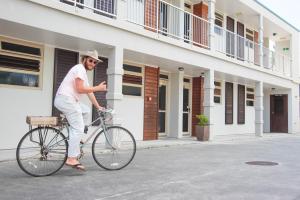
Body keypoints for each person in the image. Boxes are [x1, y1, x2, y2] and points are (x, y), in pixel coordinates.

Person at [54, 50, 106, 171]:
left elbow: (89, 91)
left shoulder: (82, 72)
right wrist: (98, 88)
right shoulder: (79, 69)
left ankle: (76, 138)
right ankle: (71, 158)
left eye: (95, 62)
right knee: (78, 128)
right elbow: (80, 89)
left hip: (68, 100)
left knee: (86, 110)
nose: (93, 63)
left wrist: (98, 106)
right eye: (91, 60)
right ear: (84, 59)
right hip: (66, 100)